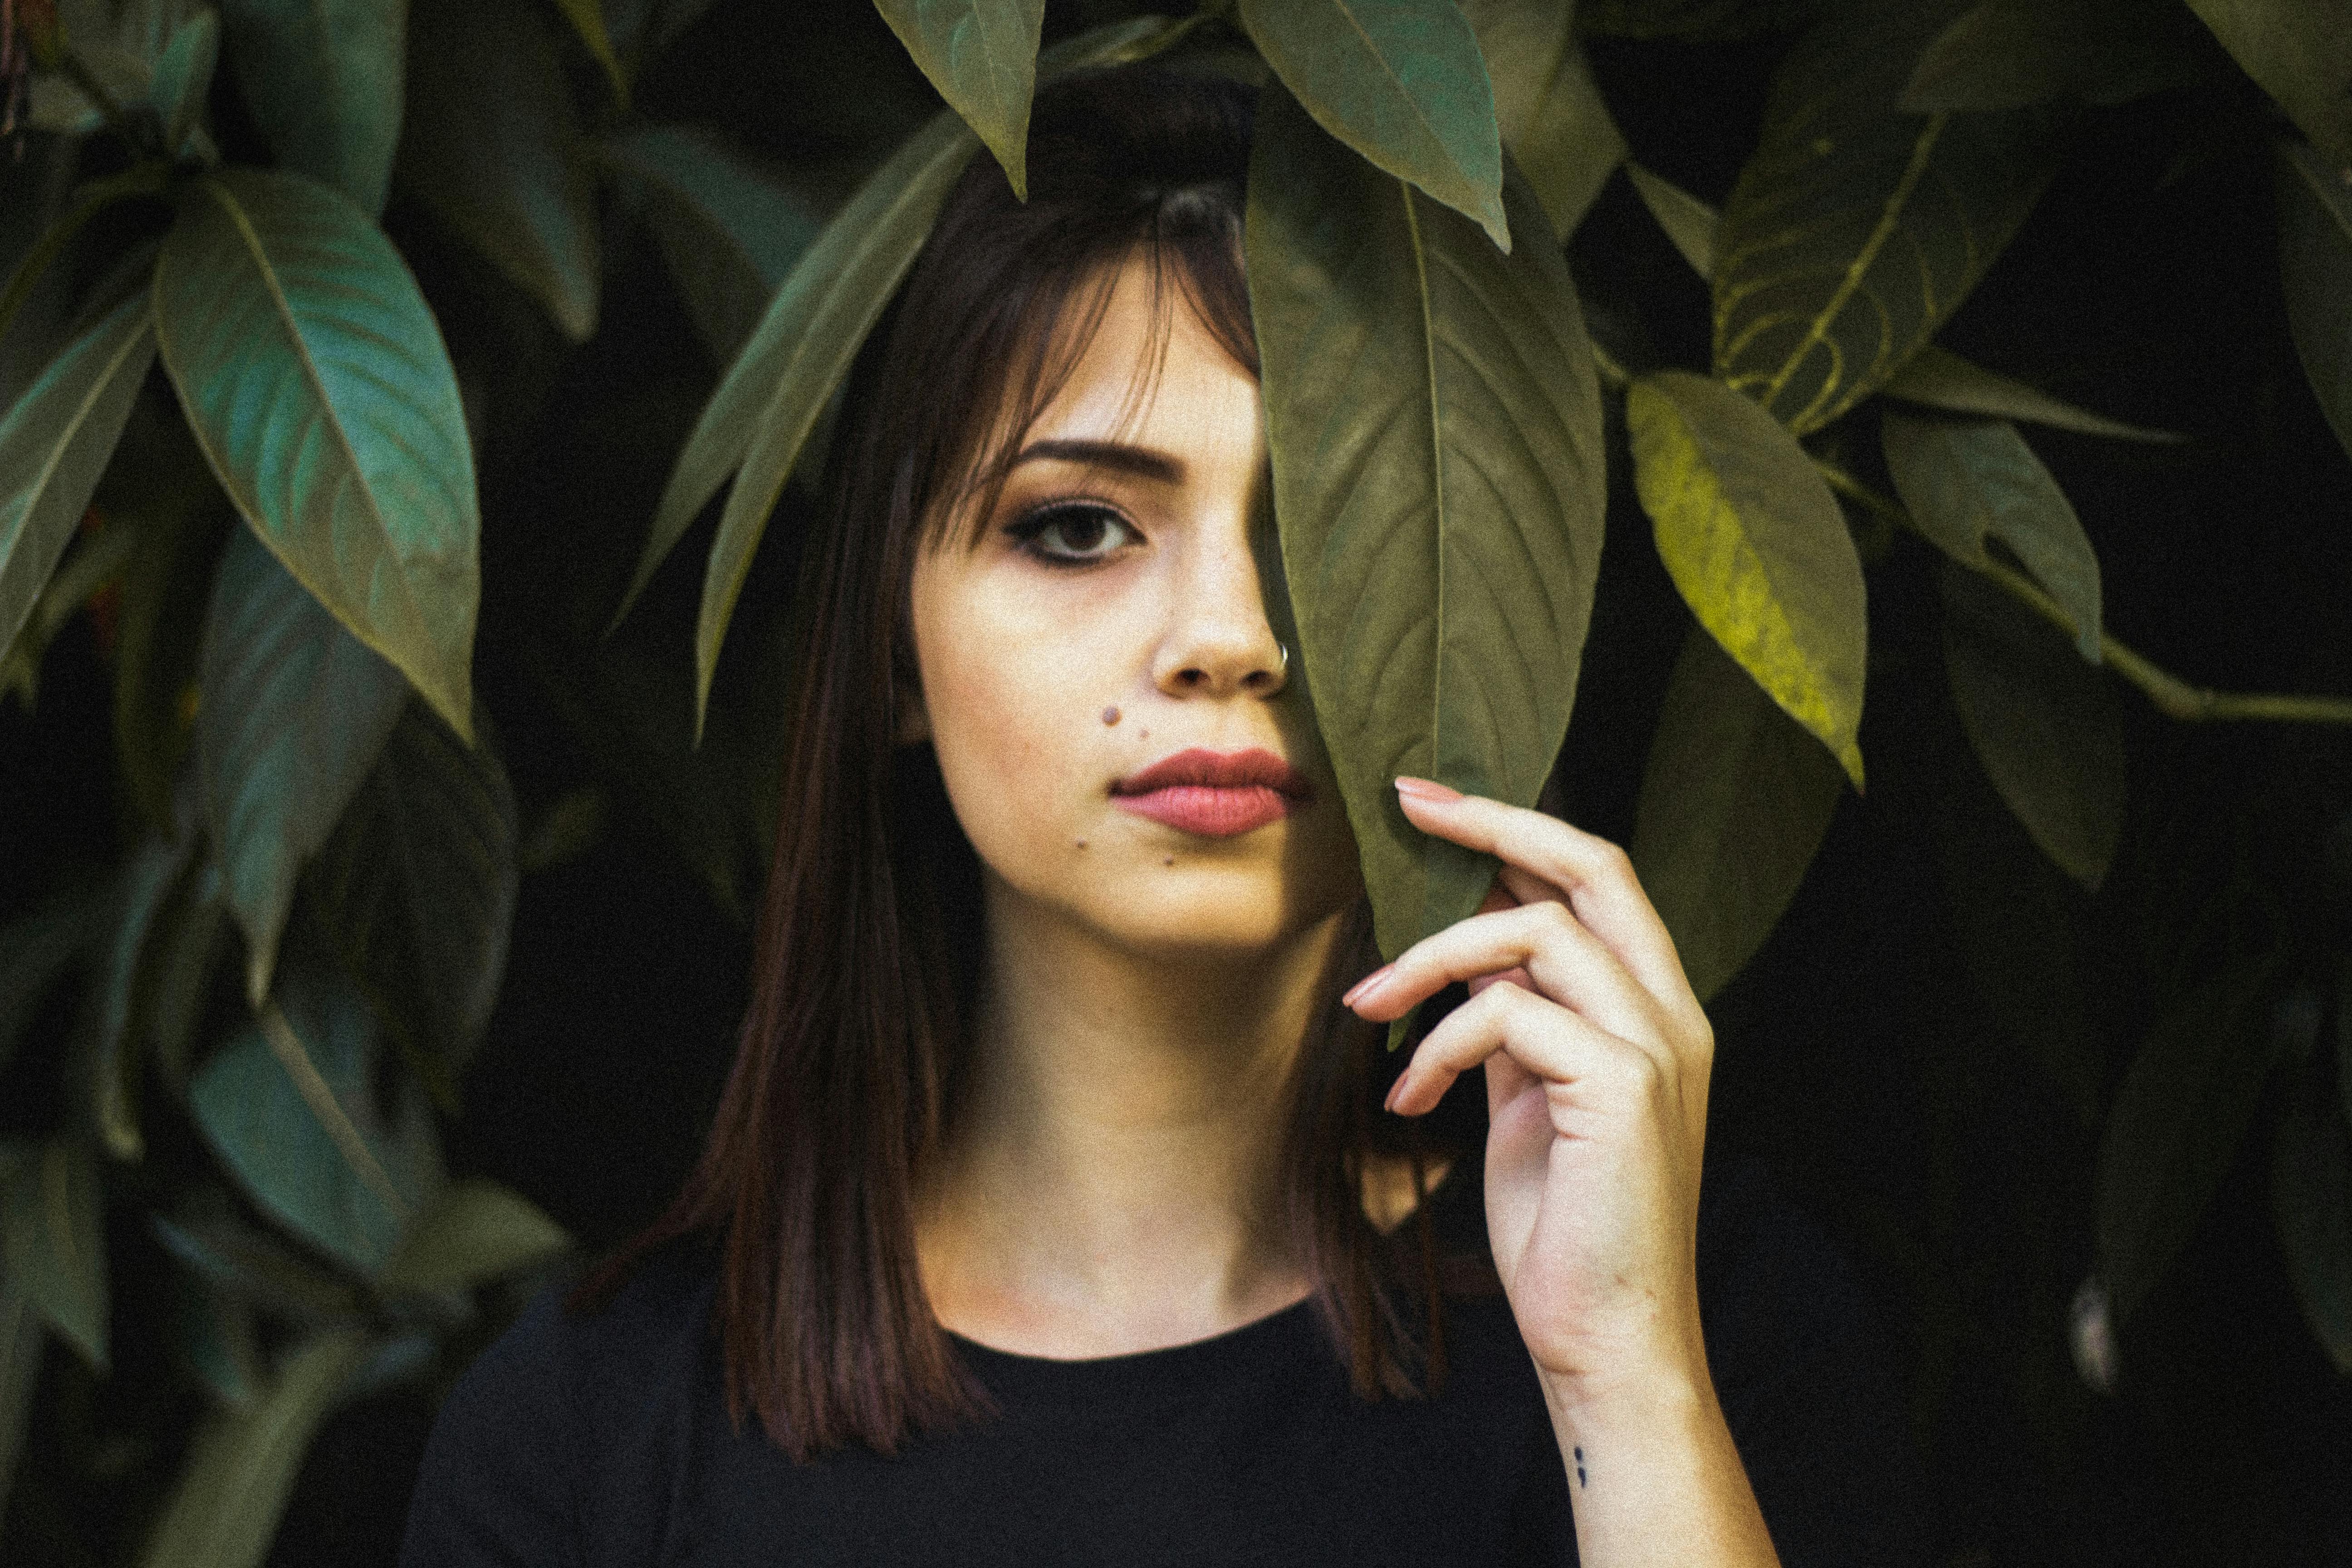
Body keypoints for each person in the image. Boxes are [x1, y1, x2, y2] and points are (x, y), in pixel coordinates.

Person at [398, 64, 1919, 1568]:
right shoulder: (583, 1445)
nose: (1230, 637)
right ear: (893, 651)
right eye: (1078, 527)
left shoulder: (1698, 1333)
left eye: (1327, 529)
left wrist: (1624, 1383)